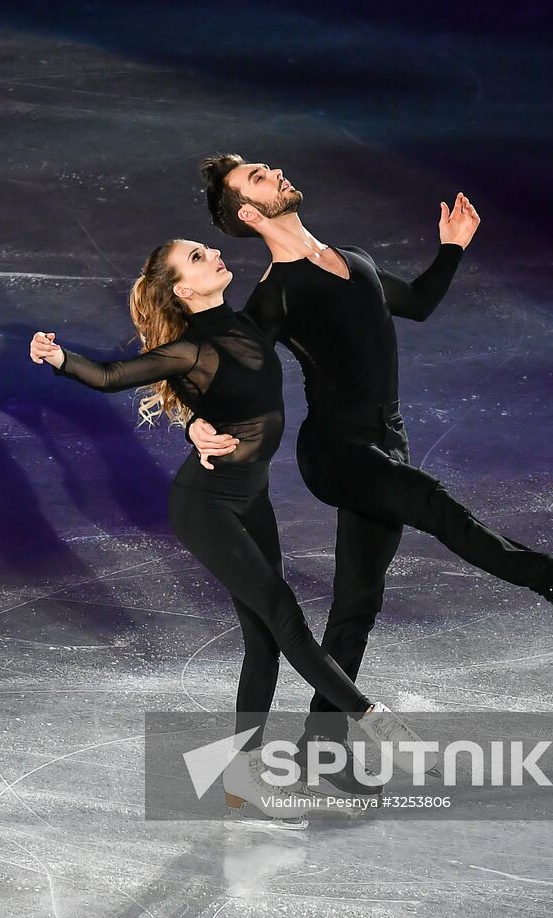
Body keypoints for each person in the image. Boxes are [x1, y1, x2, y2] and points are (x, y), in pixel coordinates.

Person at [189, 155, 553, 782]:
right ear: (249, 213)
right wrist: (198, 423)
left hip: (385, 444)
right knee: (435, 505)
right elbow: (227, 372)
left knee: (357, 604)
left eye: (267, 168)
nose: (276, 173)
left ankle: (323, 748)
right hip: (337, 453)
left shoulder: (355, 258)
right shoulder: (273, 296)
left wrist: (450, 249)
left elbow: (418, 303)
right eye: (258, 178)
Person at [30, 239, 434, 828]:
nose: (212, 253)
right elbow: (112, 374)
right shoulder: (190, 349)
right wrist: (59, 357)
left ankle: (243, 784)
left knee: (265, 639)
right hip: (206, 504)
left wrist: (195, 419)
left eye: (205, 247)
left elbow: (306, 294)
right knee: (284, 614)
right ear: (184, 292)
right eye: (195, 258)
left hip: (252, 498)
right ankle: (373, 718)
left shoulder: (249, 321)